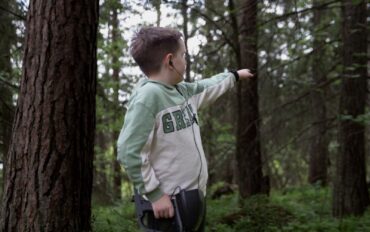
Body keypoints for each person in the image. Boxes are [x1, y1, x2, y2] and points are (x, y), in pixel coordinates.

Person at [117, 27, 253, 231]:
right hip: (167, 206)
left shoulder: (182, 91)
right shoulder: (148, 98)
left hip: (192, 198)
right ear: (170, 61)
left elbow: (208, 86)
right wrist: (155, 195)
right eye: (183, 55)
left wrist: (234, 75)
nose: (186, 60)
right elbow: (129, 151)